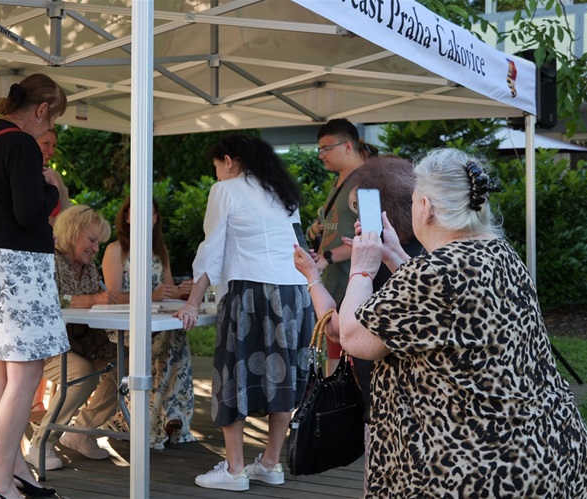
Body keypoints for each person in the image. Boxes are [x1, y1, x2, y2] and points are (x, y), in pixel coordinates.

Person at [342, 148, 587, 496]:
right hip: (543, 451)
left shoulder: (435, 273)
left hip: (475, 471)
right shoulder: (499, 252)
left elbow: (355, 338)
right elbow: (441, 312)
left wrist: (362, 268)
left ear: (425, 207)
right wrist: (395, 257)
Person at [176, 134, 315, 492]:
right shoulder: (281, 193)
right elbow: (298, 246)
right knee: (282, 378)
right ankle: (270, 464)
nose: (217, 174)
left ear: (228, 160)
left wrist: (192, 302)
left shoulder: (225, 190)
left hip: (252, 293)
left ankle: (235, 469)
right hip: (294, 294)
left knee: (232, 375)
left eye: (216, 167)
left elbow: (211, 251)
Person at [0, 73, 68, 499]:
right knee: (25, 373)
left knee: (5, 371)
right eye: (53, 118)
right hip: (17, 266)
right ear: (41, 110)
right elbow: (29, 214)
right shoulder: (23, 144)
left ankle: (16, 472)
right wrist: (54, 192)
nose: (51, 128)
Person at [294, 154, 422, 495]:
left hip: (387, 410)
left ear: (379, 212)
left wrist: (312, 277)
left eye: (358, 211)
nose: (355, 221)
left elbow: (338, 330)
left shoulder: (374, 266)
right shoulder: (428, 255)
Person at [25, 205, 120, 471]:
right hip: (45, 344)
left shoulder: (88, 268)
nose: (95, 248)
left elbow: (98, 299)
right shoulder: (48, 260)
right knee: (82, 373)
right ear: (72, 232)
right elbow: (48, 300)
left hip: (83, 343)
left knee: (127, 365)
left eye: (98, 243)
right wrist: (91, 300)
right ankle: (41, 443)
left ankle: (81, 432)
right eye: (92, 240)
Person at [100, 195, 196, 450]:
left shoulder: (159, 251)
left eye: (149, 213)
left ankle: (166, 415)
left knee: (176, 332)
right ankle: (165, 415)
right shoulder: (116, 250)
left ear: (155, 219)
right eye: (137, 211)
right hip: (124, 325)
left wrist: (181, 292)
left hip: (156, 323)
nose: (144, 217)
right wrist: (150, 296)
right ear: (127, 216)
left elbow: (167, 291)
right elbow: (112, 298)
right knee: (170, 338)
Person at [309, 119, 375, 375]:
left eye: (326, 148)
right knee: (334, 366)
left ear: (348, 146)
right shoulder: (339, 182)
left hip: (355, 292)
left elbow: (373, 239)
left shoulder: (367, 183)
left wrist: (327, 256)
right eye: (320, 149)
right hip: (334, 288)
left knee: (354, 370)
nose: (321, 155)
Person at [35, 129, 70, 227]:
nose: (51, 151)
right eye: (46, 143)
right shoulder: (17, 173)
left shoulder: (54, 175)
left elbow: (67, 212)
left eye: (54, 146)